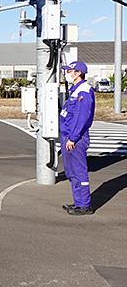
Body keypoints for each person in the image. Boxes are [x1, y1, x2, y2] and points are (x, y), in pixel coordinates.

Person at [59, 61, 95, 216]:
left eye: (70, 71)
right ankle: (78, 202)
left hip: (75, 138)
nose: (67, 73)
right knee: (71, 171)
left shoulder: (84, 92)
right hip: (68, 135)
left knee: (79, 171)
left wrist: (73, 138)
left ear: (78, 73)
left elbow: (82, 118)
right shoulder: (75, 90)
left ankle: (84, 205)